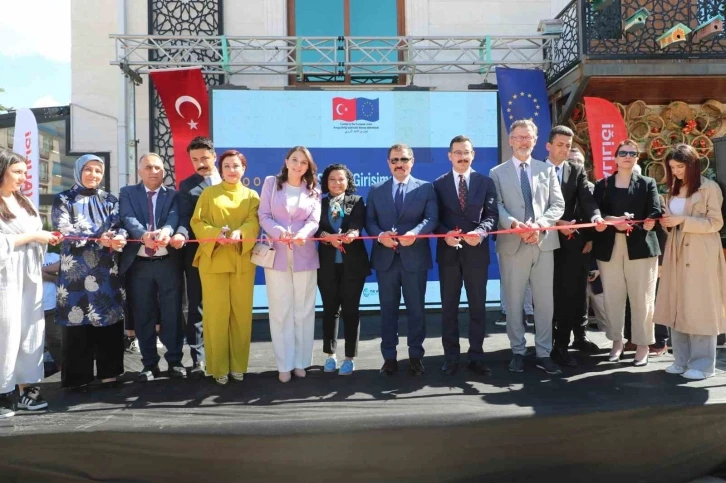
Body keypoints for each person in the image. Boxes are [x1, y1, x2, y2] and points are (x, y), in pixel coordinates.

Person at [489, 119, 565, 375]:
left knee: (545, 303)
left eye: (528, 137)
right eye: (519, 137)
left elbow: (558, 204)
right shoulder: (497, 172)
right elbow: (497, 206)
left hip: (543, 243)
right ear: (511, 141)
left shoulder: (547, 170)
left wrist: (539, 225)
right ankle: (518, 351)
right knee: (514, 302)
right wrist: (514, 225)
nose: (523, 141)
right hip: (513, 243)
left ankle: (544, 352)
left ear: (535, 141)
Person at [52, 154, 127, 391]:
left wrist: (118, 238)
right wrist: (98, 238)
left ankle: (109, 374)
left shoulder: (110, 199)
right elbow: (64, 231)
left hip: (105, 271)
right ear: (78, 171)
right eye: (88, 169)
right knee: (77, 322)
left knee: (109, 320)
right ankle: (78, 379)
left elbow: (119, 226)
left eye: (98, 171)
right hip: (75, 274)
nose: (93, 175)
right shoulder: (64, 199)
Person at [655, 144, 726, 380]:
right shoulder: (673, 189)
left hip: (701, 253)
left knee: (700, 306)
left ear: (692, 164)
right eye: (672, 167)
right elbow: (673, 221)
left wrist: (682, 220)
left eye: (680, 166)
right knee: (677, 303)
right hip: (676, 251)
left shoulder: (709, 187)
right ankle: (681, 360)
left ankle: (703, 365)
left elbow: (716, 223)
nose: (675, 171)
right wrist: (667, 222)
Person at [366, 143, 438, 376]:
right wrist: (381, 237)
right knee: (388, 311)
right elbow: (369, 221)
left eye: (404, 159)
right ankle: (389, 358)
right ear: (388, 163)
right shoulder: (376, 190)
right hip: (385, 259)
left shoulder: (426, 188)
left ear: (412, 161)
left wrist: (414, 234)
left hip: (414, 258)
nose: (399, 164)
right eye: (395, 160)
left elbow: (431, 218)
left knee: (416, 310)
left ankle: (416, 356)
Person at [191, 150, 259, 385]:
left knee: (241, 315)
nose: (232, 170)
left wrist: (242, 232)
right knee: (216, 316)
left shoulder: (251, 195)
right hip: (214, 261)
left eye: (236, 165)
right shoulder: (209, 193)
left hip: (242, 261)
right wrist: (215, 234)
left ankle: (238, 366)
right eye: (227, 166)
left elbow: (254, 221)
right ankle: (218, 367)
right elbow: (197, 222)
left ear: (244, 169)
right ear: (220, 169)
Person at [0, 150, 60, 417]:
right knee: (6, 331)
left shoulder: (23, 201)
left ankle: (27, 390)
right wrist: (34, 236)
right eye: (17, 172)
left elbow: (34, 234)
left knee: (30, 331)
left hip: (29, 276)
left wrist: (45, 237)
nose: (23, 177)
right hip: (5, 278)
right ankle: (3, 392)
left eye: (25, 172)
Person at [592, 139, 661, 367]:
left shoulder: (648, 183)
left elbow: (655, 210)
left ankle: (643, 345)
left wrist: (649, 222)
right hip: (610, 247)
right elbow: (596, 213)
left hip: (641, 247)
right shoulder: (602, 184)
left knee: (642, 299)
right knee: (613, 298)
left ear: (637, 158)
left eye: (632, 153)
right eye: (623, 153)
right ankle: (616, 342)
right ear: (615, 157)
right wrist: (613, 221)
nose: (628, 156)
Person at [433, 135, 498, 376]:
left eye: (466, 152)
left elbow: (492, 215)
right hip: (448, 255)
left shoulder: (486, 182)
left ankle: (476, 357)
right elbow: (433, 218)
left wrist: (480, 233)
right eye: (458, 153)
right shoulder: (438, 184)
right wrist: (444, 234)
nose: (462, 157)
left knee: (477, 308)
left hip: (476, 254)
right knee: (448, 308)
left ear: (473, 155)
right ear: (450, 156)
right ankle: (451, 358)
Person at [119, 153, 185, 382]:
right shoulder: (128, 193)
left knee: (172, 313)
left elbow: (175, 217)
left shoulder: (173, 195)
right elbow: (127, 217)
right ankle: (149, 364)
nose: (153, 171)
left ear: (164, 172)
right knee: (143, 314)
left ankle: (175, 361)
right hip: (139, 265)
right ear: (140, 171)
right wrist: (143, 235)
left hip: (167, 263)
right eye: (148, 167)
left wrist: (166, 231)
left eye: (158, 167)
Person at [259, 147, 321, 383]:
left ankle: (301, 362)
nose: (298, 165)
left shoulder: (314, 189)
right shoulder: (271, 183)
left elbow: (314, 220)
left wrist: (303, 234)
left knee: (303, 310)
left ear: (308, 167)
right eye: (294, 160)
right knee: (280, 311)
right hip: (277, 255)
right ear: (286, 161)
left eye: (303, 162)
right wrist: (278, 232)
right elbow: (264, 215)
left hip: (305, 254)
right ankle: (284, 364)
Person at [545, 126, 605, 367]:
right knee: (549, 295)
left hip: (572, 243)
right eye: (560, 145)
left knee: (573, 293)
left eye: (567, 146)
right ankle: (547, 343)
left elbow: (587, 200)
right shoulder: (535, 170)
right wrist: (555, 223)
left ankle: (566, 343)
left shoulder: (576, 170)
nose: (564, 149)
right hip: (543, 242)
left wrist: (596, 217)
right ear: (548, 146)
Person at [168, 136, 222, 378]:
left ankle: (223, 354)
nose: (200, 163)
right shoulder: (187, 186)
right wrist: (181, 234)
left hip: (228, 255)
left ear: (214, 156)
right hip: (197, 255)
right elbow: (186, 218)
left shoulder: (230, 180)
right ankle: (198, 359)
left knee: (223, 306)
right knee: (197, 307)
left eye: (204, 158)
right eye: (195, 159)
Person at [316, 164, 371, 376]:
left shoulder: (357, 201)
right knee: (329, 310)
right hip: (326, 266)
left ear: (348, 182)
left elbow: (357, 224)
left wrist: (352, 234)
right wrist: (326, 237)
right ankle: (330, 355)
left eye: (341, 179)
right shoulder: (319, 203)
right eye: (332, 179)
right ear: (326, 182)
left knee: (351, 310)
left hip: (353, 266)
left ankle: (349, 358)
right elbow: (315, 228)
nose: (337, 183)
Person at [41, 250, 61, 376]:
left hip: (51, 306)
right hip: (30, 308)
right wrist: (52, 276)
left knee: (55, 340)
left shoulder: (54, 257)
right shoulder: (25, 257)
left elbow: (63, 267)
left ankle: (63, 370)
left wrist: (41, 271)